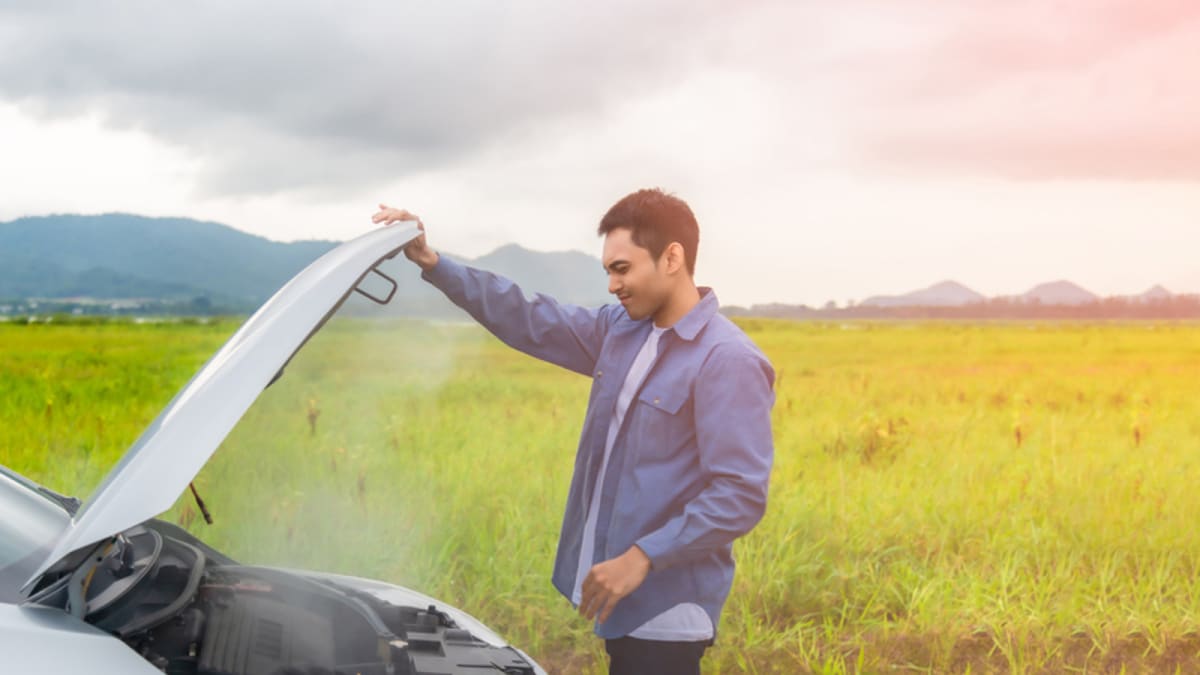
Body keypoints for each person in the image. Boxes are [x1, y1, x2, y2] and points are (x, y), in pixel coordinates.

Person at [371, 188, 775, 675]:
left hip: (667, 614)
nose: (612, 285)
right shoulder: (620, 331)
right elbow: (527, 316)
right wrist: (433, 263)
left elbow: (739, 494)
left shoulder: (728, 359)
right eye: (608, 270)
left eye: (622, 269)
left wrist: (642, 557)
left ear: (672, 258)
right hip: (620, 603)